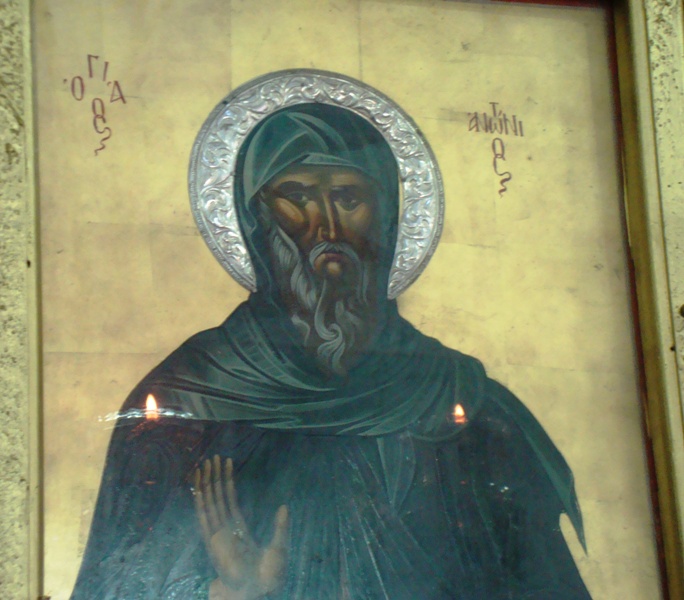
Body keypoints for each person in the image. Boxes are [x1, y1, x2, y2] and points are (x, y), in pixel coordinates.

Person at [71, 103, 591, 599]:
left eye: (347, 198)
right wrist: (228, 592)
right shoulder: (186, 403)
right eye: (297, 196)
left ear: (385, 221)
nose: (327, 227)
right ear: (256, 221)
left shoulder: (465, 406)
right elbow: (114, 584)